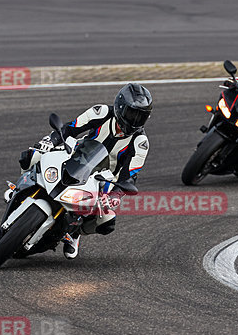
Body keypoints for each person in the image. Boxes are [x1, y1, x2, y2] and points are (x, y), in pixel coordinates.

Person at [15, 83, 152, 259]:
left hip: (104, 179)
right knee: (31, 156)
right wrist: (49, 141)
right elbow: (70, 128)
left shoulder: (141, 142)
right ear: (120, 106)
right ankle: (21, 186)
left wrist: (115, 196)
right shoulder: (101, 112)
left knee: (106, 222)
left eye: (140, 117)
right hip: (77, 156)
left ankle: (75, 232)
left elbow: (130, 175)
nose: (134, 120)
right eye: (131, 113)